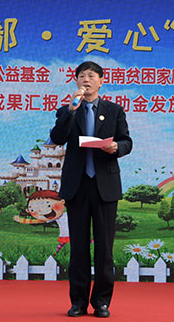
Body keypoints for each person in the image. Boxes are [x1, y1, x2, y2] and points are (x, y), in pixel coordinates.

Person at [50, 61, 132, 318]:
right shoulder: (67, 110)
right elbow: (57, 138)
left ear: (101, 81)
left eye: (91, 76)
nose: (86, 79)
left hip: (105, 186)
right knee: (79, 247)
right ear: (76, 81)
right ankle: (78, 302)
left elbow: (127, 141)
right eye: (82, 76)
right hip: (77, 186)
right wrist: (70, 111)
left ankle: (102, 302)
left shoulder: (114, 110)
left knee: (104, 248)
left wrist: (116, 147)